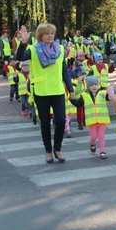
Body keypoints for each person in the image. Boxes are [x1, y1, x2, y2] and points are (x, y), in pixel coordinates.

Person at [16, 23, 73, 164]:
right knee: (45, 123)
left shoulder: (60, 49)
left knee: (60, 121)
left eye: (52, 33)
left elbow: (64, 70)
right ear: (40, 36)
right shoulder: (33, 49)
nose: (50, 36)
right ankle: (48, 151)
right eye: (47, 33)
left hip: (58, 90)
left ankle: (58, 148)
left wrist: (70, 89)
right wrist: (23, 43)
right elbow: (20, 57)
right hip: (41, 91)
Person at [71, 76, 111, 160]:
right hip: (91, 121)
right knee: (93, 136)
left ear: (98, 85)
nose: (94, 86)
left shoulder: (103, 93)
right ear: (87, 86)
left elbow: (110, 97)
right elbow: (78, 104)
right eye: (91, 85)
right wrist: (71, 99)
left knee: (101, 136)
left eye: (96, 84)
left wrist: (111, 90)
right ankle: (92, 144)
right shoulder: (84, 95)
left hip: (102, 120)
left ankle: (102, 151)